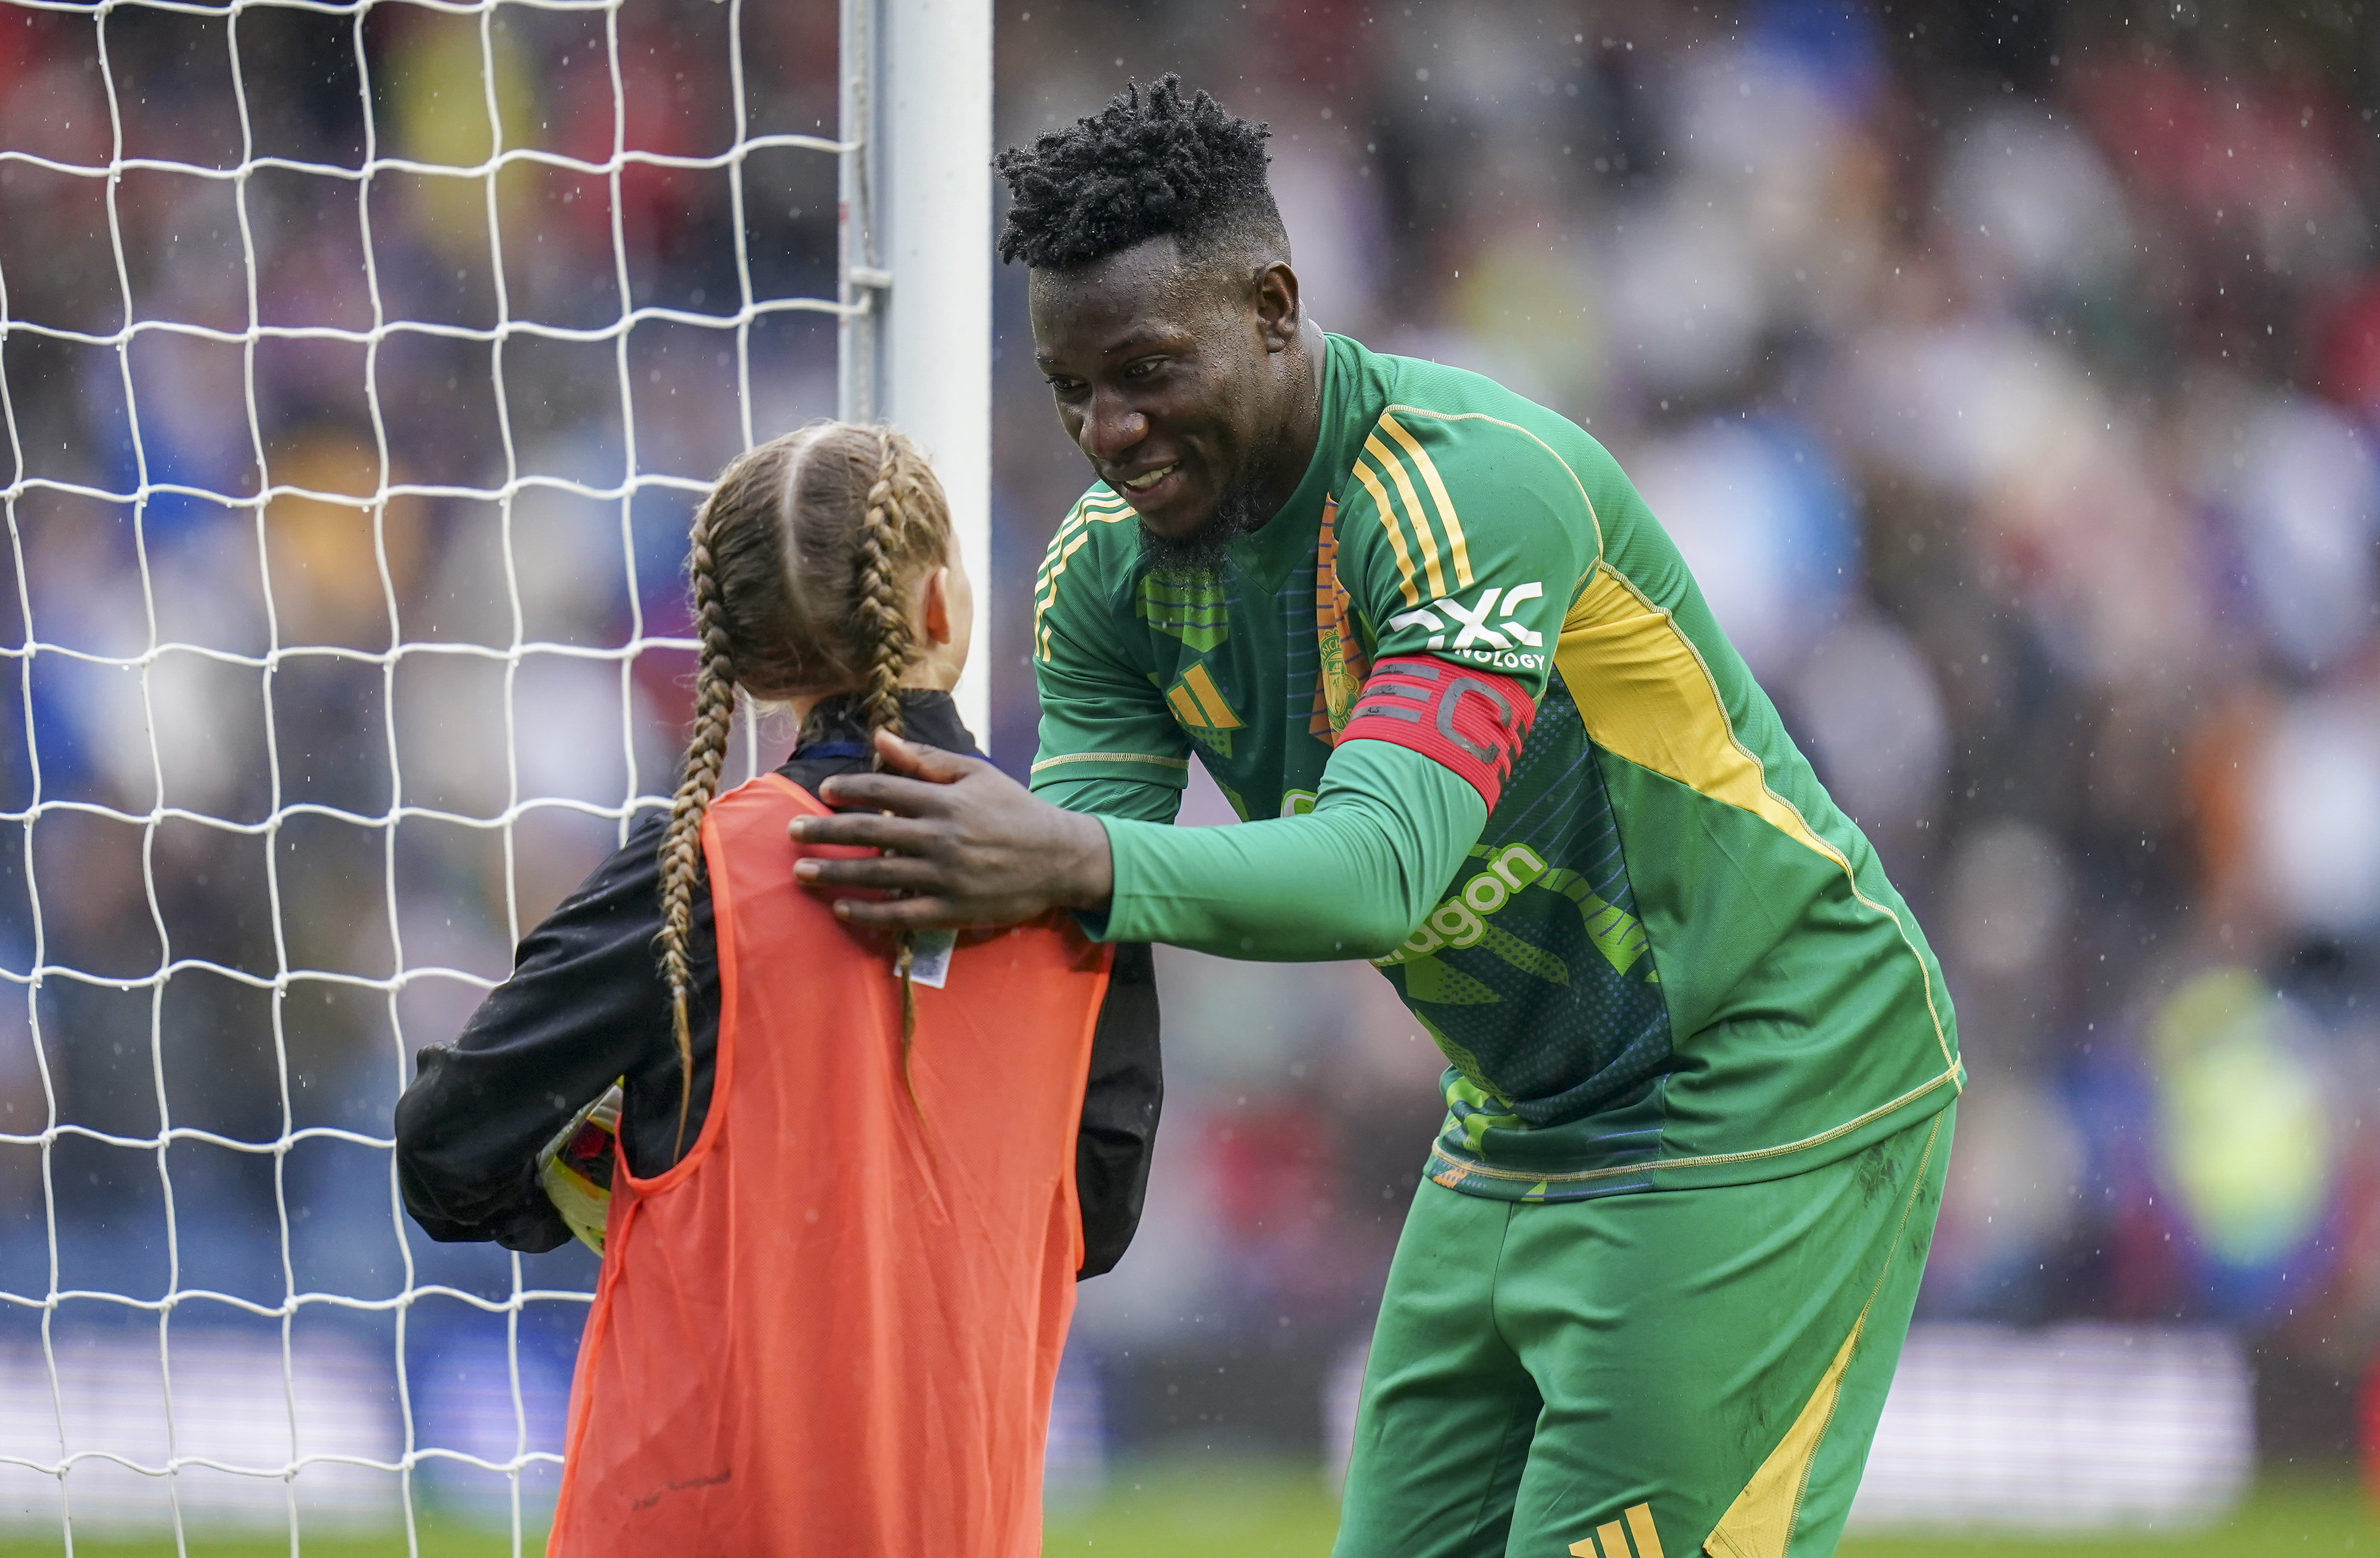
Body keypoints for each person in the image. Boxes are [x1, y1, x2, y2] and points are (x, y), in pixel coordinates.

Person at [790, 79, 1961, 1558]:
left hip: (1768, 1079)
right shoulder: (1104, 577)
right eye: (1068, 387)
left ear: (1273, 306)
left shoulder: (1459, 490)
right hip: (1522, 1116)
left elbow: (1376, 873)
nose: (1109, 428)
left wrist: (1064, 856)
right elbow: (1081, 909)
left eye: (1147, 368)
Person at [392, 422, 1160, 1556]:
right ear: (943, 608)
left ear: (742, 661)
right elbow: (1091, 1221)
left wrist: (597, 1177)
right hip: (954, 1518)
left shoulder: (703, 873)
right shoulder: (1088, 882)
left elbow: (448, 1148)